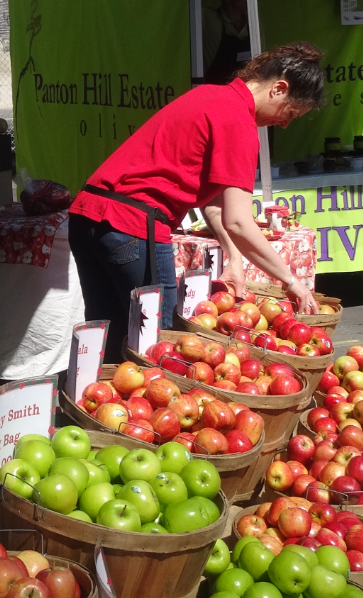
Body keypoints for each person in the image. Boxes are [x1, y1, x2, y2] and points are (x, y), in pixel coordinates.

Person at [68, 43, 325, 363]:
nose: (285, 124)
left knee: (107, 329)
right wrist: (291, 281)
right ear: (279, 89)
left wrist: (233, 257)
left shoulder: (209, 96)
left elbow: (216, 204)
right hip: (133, 227)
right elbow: (239, 221)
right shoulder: (239, 123)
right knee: (156, 342)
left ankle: (87, 403)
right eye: (291, 113)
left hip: (87, 214)